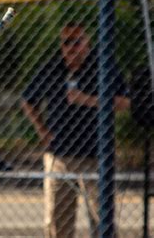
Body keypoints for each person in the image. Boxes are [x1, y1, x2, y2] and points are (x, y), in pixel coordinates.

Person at [21, 22, 131, 238]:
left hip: (95, 153)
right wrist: (42, 130)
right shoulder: (53, 66)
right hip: (60, 154)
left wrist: (87, 100)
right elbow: (27, 100)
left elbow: (125, 102)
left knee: (102, 217)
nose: (71, 47)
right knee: (56, 220)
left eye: (76, 41)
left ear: (87, 43)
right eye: (66, 42)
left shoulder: (102, 65)